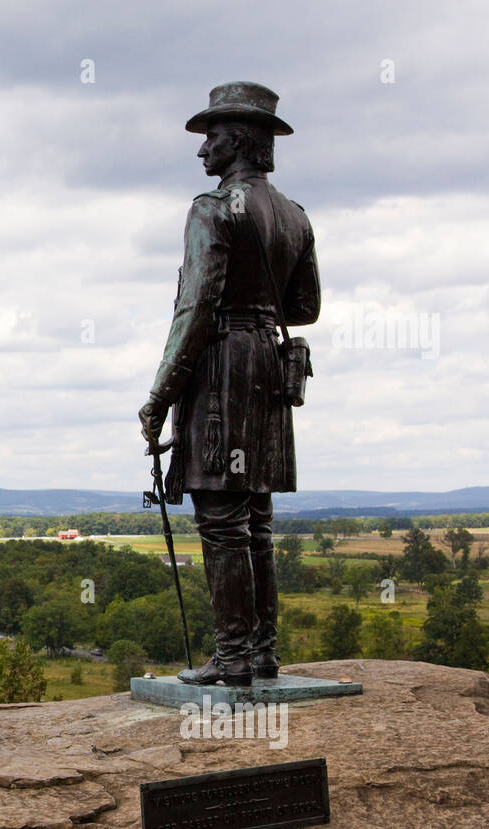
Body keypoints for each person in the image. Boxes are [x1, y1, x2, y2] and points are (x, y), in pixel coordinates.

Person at [138, 82, 320, 686]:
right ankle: (262, 652)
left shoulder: (211, 210)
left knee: (221, 522)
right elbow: (306, 305)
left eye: (210, 138)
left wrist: (160, 394)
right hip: (267, 366)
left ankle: (233, 654)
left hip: (221, 369)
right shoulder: (295, 216)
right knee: (256, 522)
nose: (201, 153)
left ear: (238, 141)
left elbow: (194, 307)